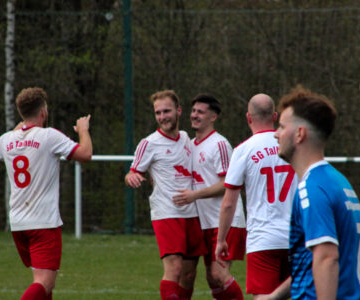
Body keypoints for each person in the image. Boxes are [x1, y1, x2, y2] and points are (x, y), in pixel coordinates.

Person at [0, 87, 93, 300]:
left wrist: (14, 133)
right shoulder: (49, 136)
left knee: (43, 286)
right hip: (43, 222)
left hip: (18, 223)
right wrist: (83, 130)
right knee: (45, 281)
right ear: (43, 112)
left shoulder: (7, 139)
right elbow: (86, 154)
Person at [268, 86, 360, 300]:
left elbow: (326, 258)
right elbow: (310, 259)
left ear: (299, 134)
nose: (276, 134)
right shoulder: (338, 182)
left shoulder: (312, 189)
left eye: (282, 126)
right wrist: (273, 297)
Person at [125, 90, 206, 300]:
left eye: (166, 111)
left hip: (192, 213)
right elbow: (133, 171)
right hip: (167, 213)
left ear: (178, 111)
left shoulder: (187, 138)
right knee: (175, 269)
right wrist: (132, 177)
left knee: (189, 274)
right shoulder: (149, 143)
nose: (162, 117)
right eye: (158, 113)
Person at [215, 93, 297, 299]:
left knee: (263, 296)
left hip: (263, 238)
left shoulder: (243, 150)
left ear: (248, 118)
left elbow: (229, 202)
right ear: (275, 116)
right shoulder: (295, 146)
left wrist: (221, 239)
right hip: (296, 236)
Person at [172, 94, 246, 300]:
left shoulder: (219, 144)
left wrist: (195, 195)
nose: (194, 115)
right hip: (204, 221)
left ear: (213, 117)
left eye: (200, 112)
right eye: (193, 111)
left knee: (218, 273)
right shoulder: (189, 145)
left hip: (226, 219)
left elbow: (227, 184)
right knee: (210, 278)